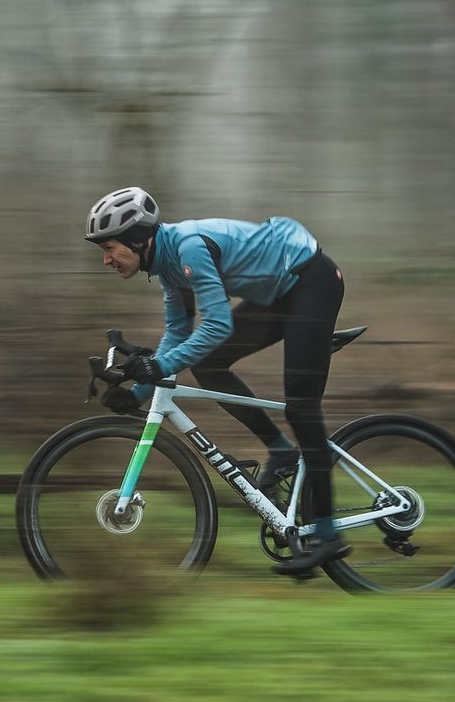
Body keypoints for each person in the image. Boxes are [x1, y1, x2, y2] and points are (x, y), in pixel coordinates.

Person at [85, 186, 349, 574]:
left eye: (109, 248)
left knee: (302, 407)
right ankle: (281, 450)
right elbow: (177, 334)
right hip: (276, 292)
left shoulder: (189, 249)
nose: (106, 260)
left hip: (310, 280)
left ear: (138, 240)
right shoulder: (168, 268)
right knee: (208, 365)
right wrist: (138, 392)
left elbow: (217, 324)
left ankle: (328, 536)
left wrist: (156, 369)